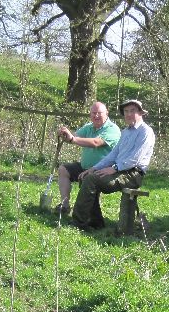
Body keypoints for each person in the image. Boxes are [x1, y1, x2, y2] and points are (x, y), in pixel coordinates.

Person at [71, 99, 156, 230]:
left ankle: (77, 223)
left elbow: (135, 159)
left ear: (140, 113)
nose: (128, 114)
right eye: (126, 111)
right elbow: (112, 155)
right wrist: (93, 168)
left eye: (132, 111)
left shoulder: (146, 132)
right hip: (119, 170)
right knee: (87, 176)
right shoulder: (126, 132)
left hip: (133, 174)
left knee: (92, 180)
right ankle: (96, 222)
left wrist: (114, 168)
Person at [55, 101, 121, 214]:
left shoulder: (112, 129)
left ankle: (86, 214)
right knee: (63, 169)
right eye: (93, 113)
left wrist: (73, 139)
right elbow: (75, 137)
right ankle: (65, 206)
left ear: (107, 113)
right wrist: (65, 135)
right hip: (84, 166)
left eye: (99, 113)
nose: (96, 116)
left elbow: (96, 142)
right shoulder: (89, 127)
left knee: (89, 179)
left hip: (102, 170)